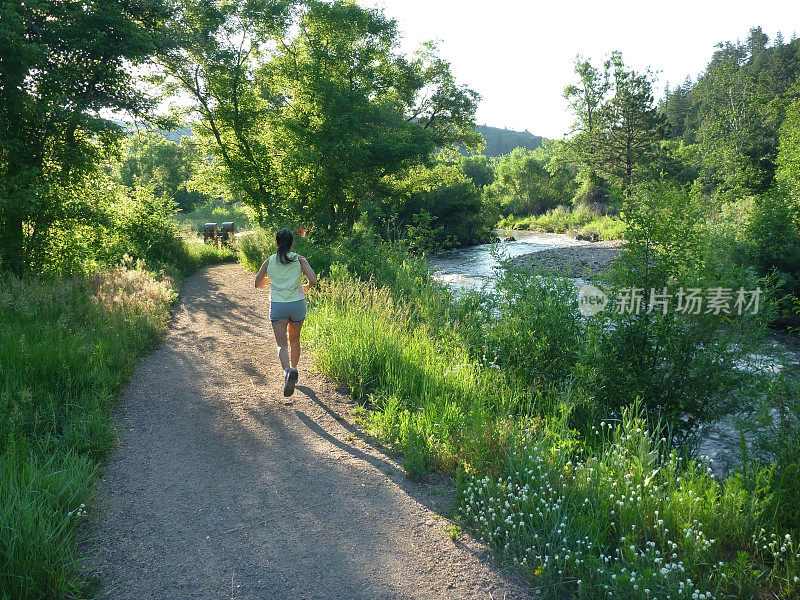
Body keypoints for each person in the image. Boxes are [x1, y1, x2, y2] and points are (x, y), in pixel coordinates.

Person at [255, 228, 317, 397]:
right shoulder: (299, 259)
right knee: (295, 339)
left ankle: (287, 372)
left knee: (282, 343)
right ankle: (295, 370)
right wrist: (306, 287)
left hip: (279, 306)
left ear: (277, 243)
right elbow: (313, 279)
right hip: (297, 304)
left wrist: (271, 279)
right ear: (292, 243)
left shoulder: (269, 261)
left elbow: (257, 283)